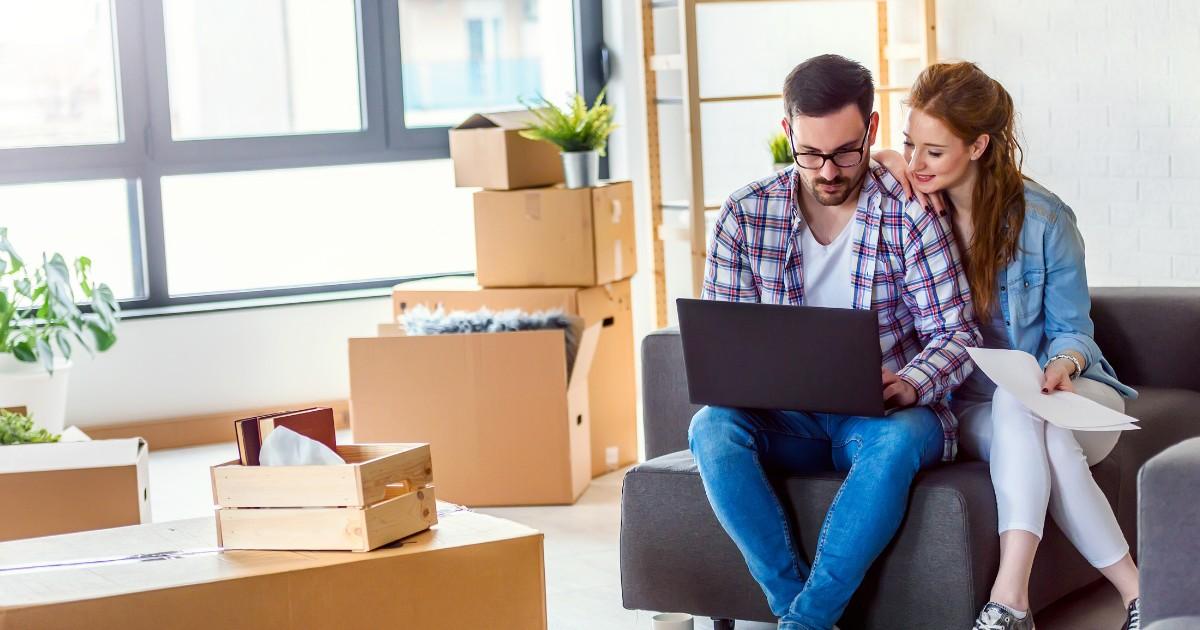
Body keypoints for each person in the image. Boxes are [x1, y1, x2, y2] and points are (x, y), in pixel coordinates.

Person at [688, 54, 980, 630]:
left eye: (846, 152)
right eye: (810, 154)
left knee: (896, 444)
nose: (827, 171)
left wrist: (910, 382)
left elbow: (956, 332)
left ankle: (807, 622)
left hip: (880, 420)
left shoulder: (910, 214)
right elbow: (725, 342)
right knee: (710, 429)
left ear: (871, 131)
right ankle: (797, 608)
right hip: (785, 420)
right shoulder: (744, 215)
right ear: (787, 132)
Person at [874, 61, 1141, 630]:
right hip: (974, 406)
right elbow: (857, 172)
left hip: (1070, 395)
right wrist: (889, 159)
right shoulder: (917, 212)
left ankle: (1009, 600)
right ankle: (1142, 596)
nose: (917, 164)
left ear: (978, 145)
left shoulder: (1045, 219)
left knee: (1027, 406)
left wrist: (1062, 365)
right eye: (909, 146)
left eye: (934, 151)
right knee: (1028, 424)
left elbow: (1074, 330)